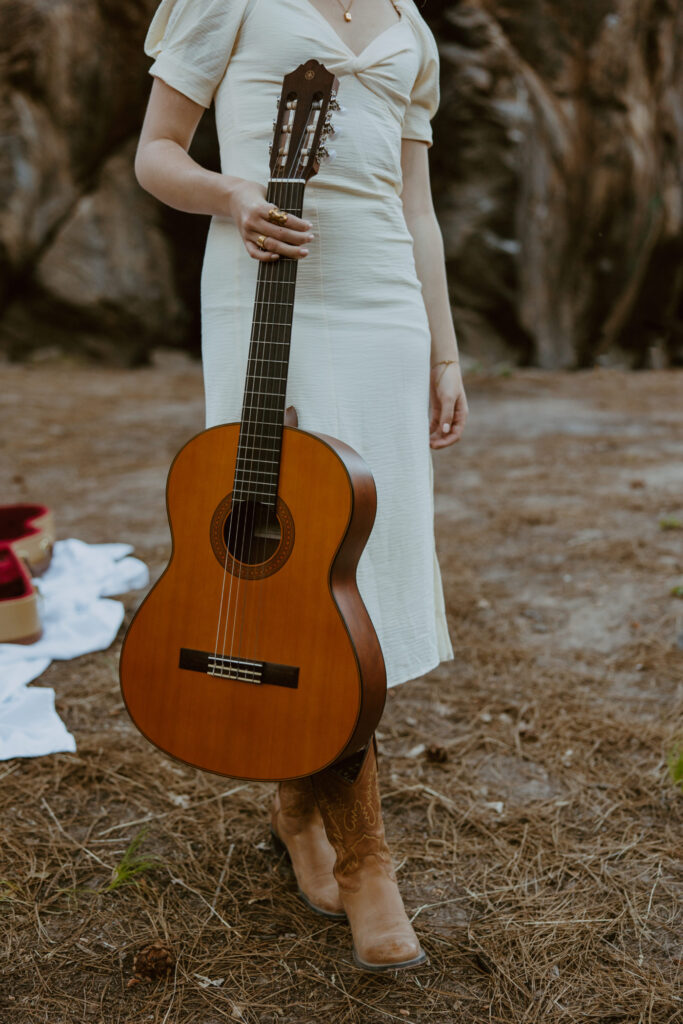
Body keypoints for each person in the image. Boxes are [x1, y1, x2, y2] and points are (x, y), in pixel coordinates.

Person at [135, 0, 469, 973]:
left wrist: (444, 353)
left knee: (366, 569)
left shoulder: (408, 23)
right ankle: (366, 857)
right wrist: (231, 197)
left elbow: (416, 206)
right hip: (268, 293)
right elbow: (156, 151)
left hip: (382, 310)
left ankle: (299, 794)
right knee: (291, 556)